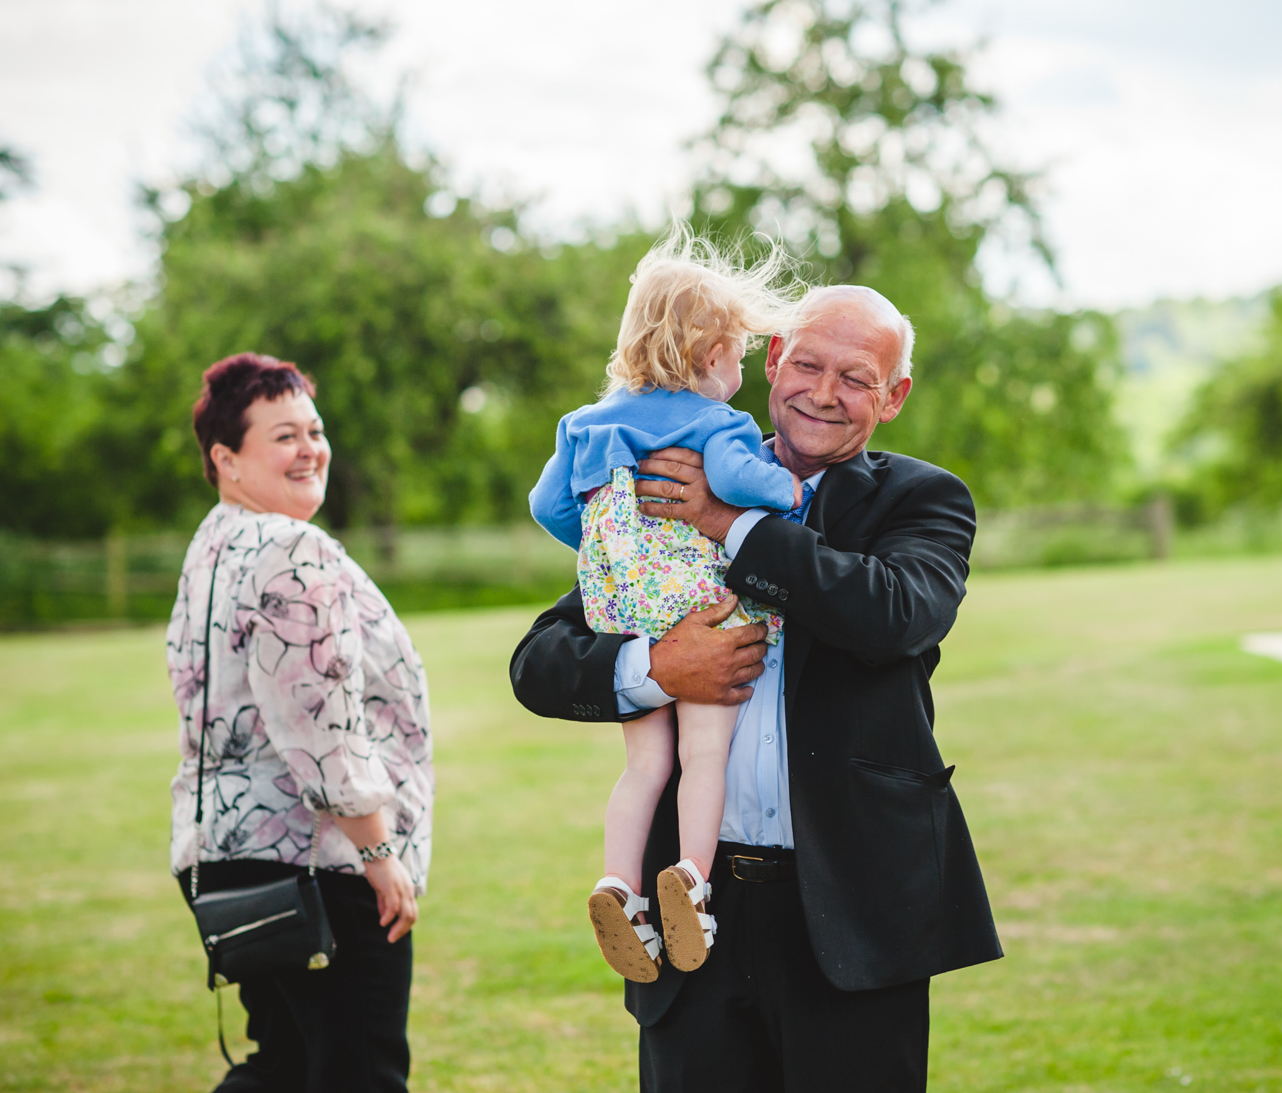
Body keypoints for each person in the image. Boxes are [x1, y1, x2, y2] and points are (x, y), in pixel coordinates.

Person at [511, 285, 1002, 1092]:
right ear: (770, 361)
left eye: (854, 377)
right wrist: (654, 669)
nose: (822, 392)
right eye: (806, 363)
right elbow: (540, 660)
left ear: (894, 396)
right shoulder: (666, 479)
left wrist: (730, 523)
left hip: (847, 908)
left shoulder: (921, 499)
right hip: (695, 915)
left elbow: (894, 613)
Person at [528, 229, 805, 983]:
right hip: (699, 605)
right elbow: (738, 482)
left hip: (625, 612)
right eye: (737, 356)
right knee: (702, 754)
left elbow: (548, 504)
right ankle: (690, 876)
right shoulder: (713, 423)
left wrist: (604, 542)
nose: (739, 371)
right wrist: (790, 493)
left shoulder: (583, 424)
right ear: (708, 353)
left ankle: (618, 882)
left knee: (645, 763)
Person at [166, 353, 433, 1093]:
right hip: (316, 865)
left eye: (314, 429)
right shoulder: (290, 547)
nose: (311, 448)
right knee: (360, 1072)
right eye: (284, 435)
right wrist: (379, 851)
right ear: (227, 458)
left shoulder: (212, 546)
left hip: (226, 859)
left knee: (282, 1068)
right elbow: (319, 718)